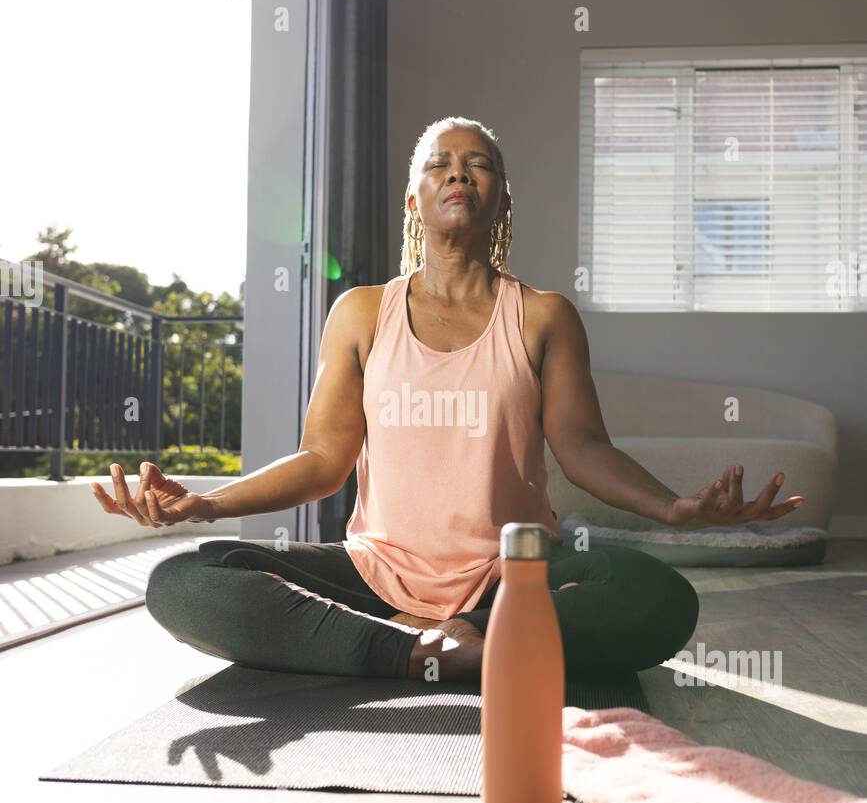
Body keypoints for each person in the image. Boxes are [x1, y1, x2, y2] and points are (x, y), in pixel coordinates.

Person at [91, 116, 804, 684]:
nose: (458, 171)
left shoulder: (544, 315)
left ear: (499, 197)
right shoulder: (361, 313)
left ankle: (458, 641)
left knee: (658, 598)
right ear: (414, 201)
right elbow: (322, 460)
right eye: (438, 163)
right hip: (377, 573)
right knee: (185, 581)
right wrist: (206, 503)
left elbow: (583, 450)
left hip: (512, 574)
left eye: (478, 163)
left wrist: (675, 509)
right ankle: (414, 648)